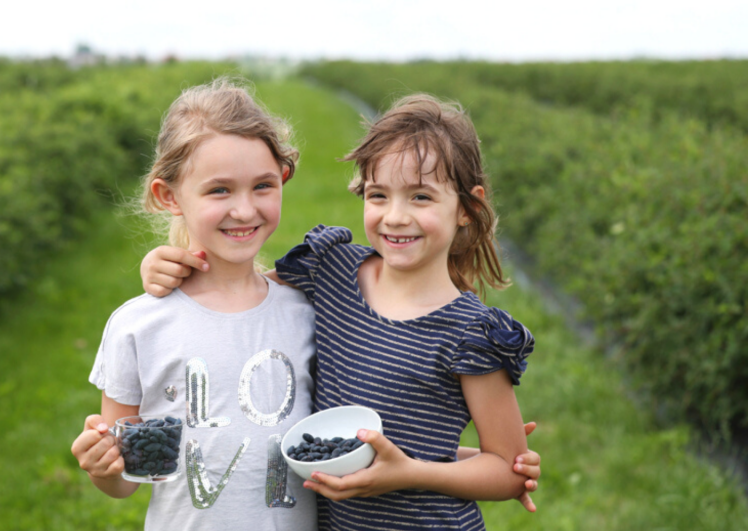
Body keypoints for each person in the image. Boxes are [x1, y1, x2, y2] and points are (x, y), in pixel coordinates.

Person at [138, 93, 540, 530]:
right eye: (378, 195)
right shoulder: (331, 271)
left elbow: (507, 470)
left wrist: (414, 471)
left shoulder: (471, 333)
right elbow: (239, 290)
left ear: (467, 207)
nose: (395, 216)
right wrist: (169, 264)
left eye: (421, 197)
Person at [70, 77, 320, 531]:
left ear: (283, 178)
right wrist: (103, 467)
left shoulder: (307, 312)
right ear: (170, 197)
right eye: (219, 191)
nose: (244, 210)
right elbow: (127, 480)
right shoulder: (137, 326)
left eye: (262, 186)